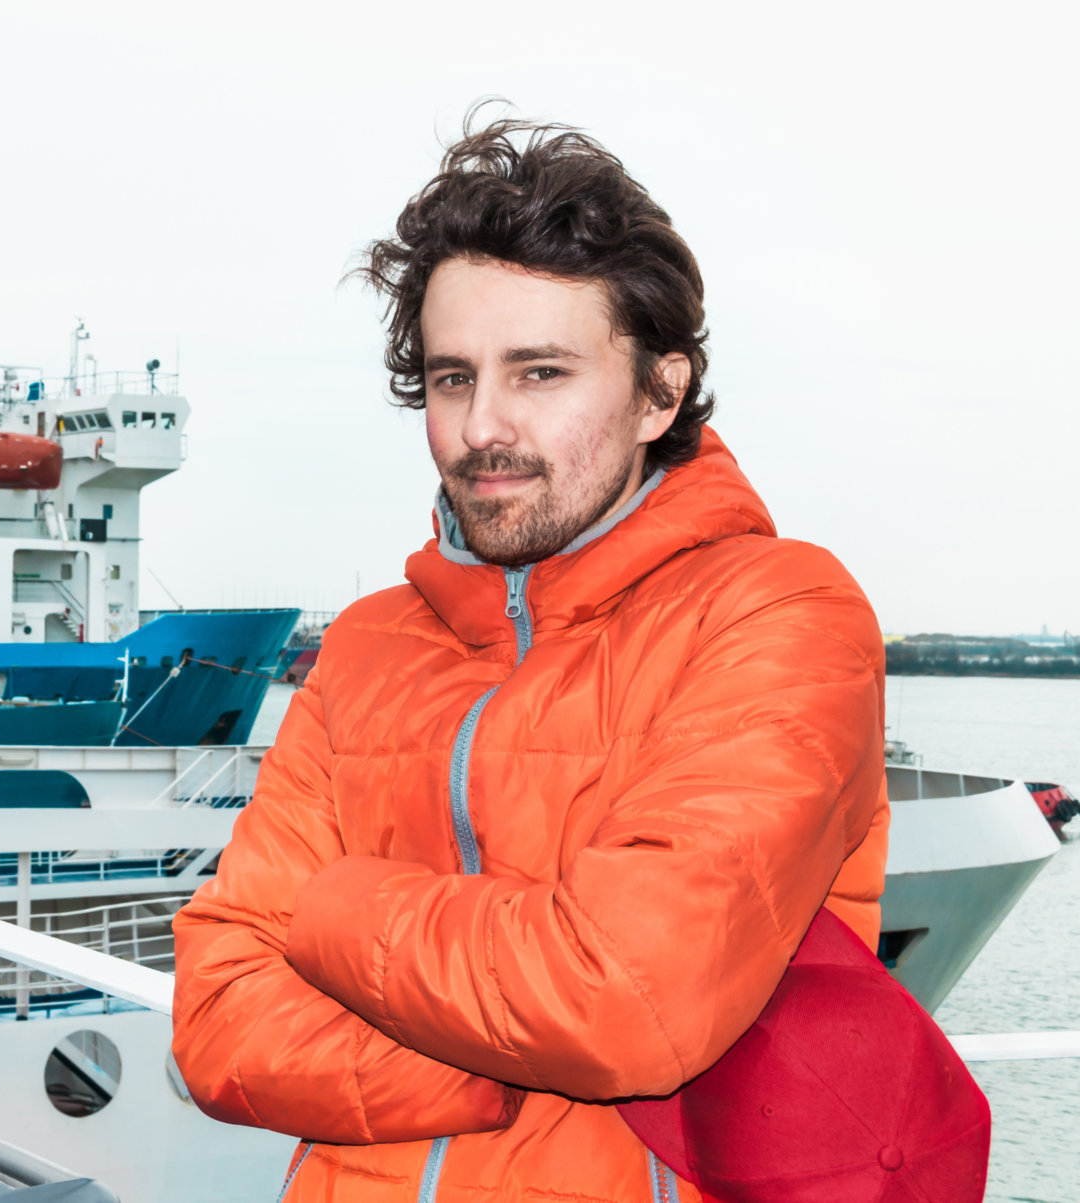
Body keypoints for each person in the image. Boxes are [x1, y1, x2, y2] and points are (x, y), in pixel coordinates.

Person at [170, 113, 889, 1202]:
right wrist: (514, 1058)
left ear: (660, 391)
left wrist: (330, 912)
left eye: (541, 372)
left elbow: (629, 997)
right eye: (454, 379)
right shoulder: (370, 644)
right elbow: (217, 1018)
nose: (483, 428)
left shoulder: (779, 612)